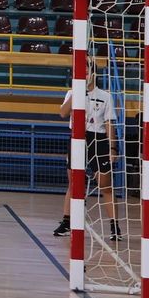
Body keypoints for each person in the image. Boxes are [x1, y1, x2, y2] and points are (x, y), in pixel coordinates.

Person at [53, 66, 122, 242]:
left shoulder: (105, 96)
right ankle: (67, 222)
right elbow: (62, 113)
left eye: (85, 72)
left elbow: (108, 123)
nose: (82, 75)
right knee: (74, 183)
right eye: (79, 73)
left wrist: (113, 148)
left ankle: (114, 226)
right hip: (76, 139)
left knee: (105, 185)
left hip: (97, 141)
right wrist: (77, 92)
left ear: (93, 74)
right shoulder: (72, 93)